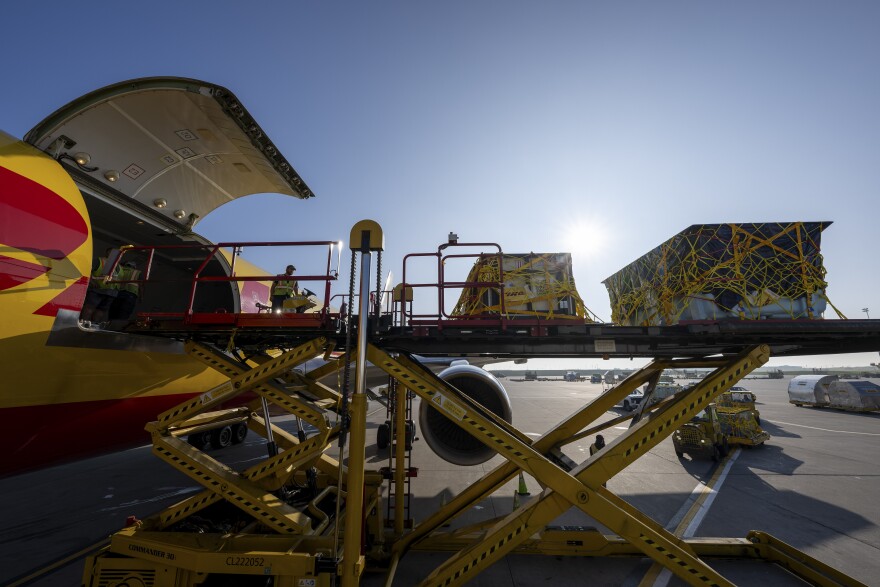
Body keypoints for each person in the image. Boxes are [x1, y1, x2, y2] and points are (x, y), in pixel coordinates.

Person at [81, 248, 119, 326]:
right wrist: (91, 281)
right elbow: (86, 270)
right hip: (97, 290)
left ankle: (94, 325)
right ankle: (84, 323)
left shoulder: (118, 266)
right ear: (107, 253)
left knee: (101, 311)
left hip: (110, 293)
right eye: (112, 253)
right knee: (89, 308)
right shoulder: (99, 261)